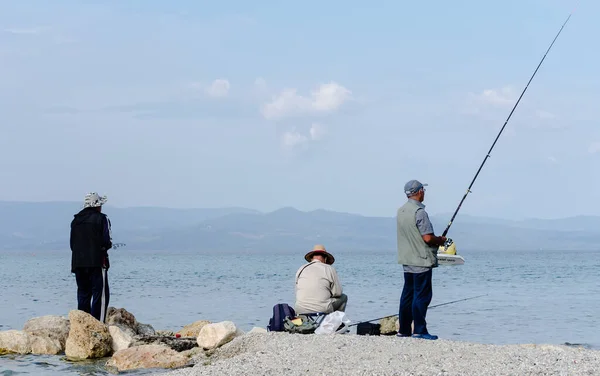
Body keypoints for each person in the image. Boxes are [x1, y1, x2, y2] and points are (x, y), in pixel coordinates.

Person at [396, 180, 447, 340]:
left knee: (407, 296)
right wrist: (440, 240)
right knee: (422, 296)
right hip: (421, 260)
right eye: (423, 189)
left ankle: (404, 330)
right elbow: (427, 238)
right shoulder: (419, 212)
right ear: (418, 192)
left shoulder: (401, 211)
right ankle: (419, 330)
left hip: (407, 260)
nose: (424, 192)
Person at [70, 192, 113, 323]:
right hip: (97, 262)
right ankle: (98, 325)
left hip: (78, 263)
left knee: (83, 294)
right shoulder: (102, 219)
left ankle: (83, 325)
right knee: (100, 295)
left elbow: (72, 244)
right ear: (97, 205)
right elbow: (107, 241)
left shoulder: (75, 220)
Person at [294, 244, 348, 314]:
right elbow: (338, 293)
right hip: (322, 308)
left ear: (311, 258)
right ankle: (336, 322)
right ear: (325, 258)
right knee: (343, 297)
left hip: (299, 309)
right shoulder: (329, 269)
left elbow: (297, 291)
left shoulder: (301, 269)